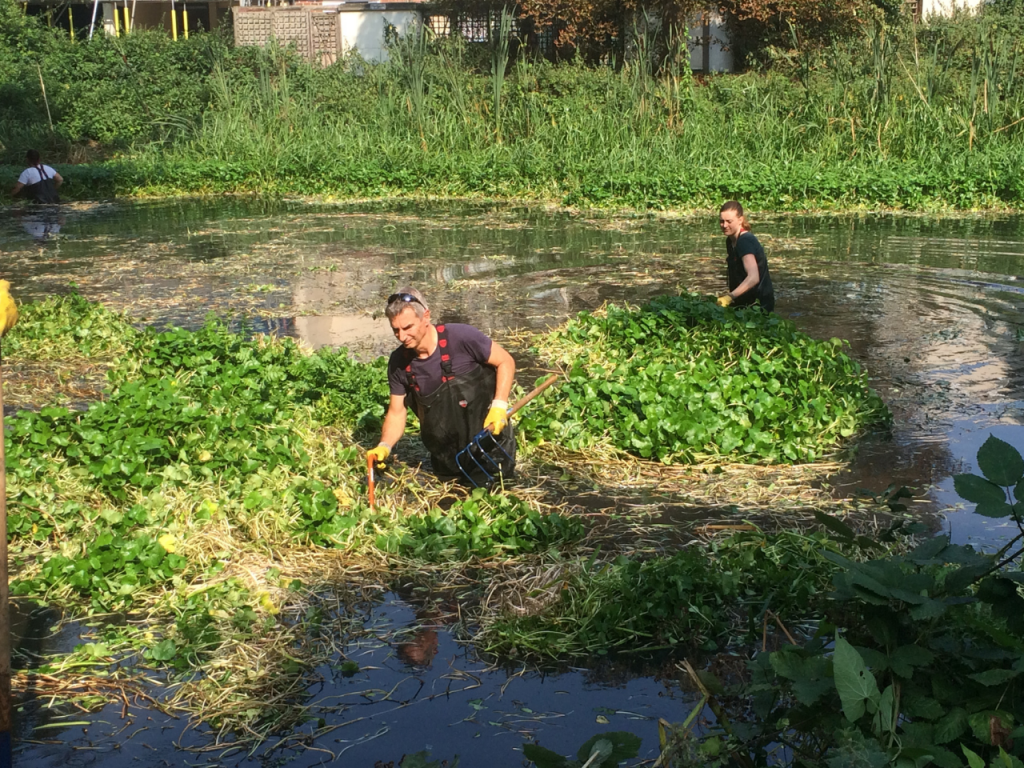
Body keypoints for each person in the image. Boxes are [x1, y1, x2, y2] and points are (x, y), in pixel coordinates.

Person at [367, 288, 517, 482]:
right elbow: (396, 412)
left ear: (426, 317)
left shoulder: (462, 337)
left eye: (408, 328)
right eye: (396, 330)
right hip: (446, 460)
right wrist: (385, 446)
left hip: (490, 449)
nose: (401, 337)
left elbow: (505, 361)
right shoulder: (399, 363)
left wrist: (499, 407)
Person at [717, 200, 774, 312]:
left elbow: (753, 277)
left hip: (758, 305)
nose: (724, 225)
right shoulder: (730, 241)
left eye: (729, 221)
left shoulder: (745, 241)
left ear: (740, 220)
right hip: (743, 301)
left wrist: (730, 297)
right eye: (721, 221)